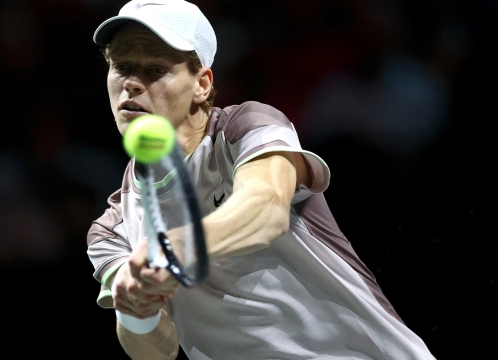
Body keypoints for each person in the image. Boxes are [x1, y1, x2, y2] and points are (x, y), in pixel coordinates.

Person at [86, 1, 436, 359]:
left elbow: (265, 209)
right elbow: (155, 352)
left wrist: (175, 250)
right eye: (121, 67)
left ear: (202, 85)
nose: (131, 84)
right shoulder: (112, 229)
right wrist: (136, 308)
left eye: (156, 70)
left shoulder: (245, 129)